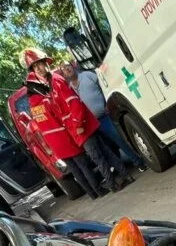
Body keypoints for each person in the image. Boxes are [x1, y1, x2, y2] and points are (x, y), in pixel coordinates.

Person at [21, 48, 132, 195]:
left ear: (46, 63)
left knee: (98, 157)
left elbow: (73, 103)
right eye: (35, 67)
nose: (39, 69)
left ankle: (113, 185)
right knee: (105, 151)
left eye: (40, 64)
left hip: (80, 128)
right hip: (81, 126)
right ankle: (126, 176)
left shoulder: (55, 81)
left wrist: (78, 125)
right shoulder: (51, 84)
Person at [60, 61, 147, 172]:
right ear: (63, 74)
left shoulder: (87, 75)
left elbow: (104, 85)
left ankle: (138, 161)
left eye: (67, 66)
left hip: (103, 117)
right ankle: (121, 170)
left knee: (119, 139)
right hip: (90, 126)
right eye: (63, 69)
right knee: (107, 148)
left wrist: (107, 102)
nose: (66, 69)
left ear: (72, 66)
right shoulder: (69, 89)